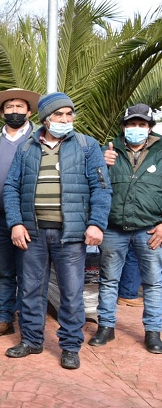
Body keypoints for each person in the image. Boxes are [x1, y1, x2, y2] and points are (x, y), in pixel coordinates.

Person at [3, 92, 111, 370]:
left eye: (69, 114)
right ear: (45, 119)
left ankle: (70, 346)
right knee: (29, 290)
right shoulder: (27, 147)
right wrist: (15, 222)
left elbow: (101, 189)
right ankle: (31, 340)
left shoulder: (87, 146)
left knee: (72, 293)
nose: (65, 119)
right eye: (58, 115)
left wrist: (97, 224)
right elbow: (11, 187)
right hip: (33, 233)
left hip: (71, 236)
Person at [89, 104, 162, 354]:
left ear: (149, 128)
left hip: (150, 228)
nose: (136, 129)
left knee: (153, 282)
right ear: (123, 127)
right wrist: (102, 164)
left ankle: (153, 332)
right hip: (113, 228)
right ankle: (106, 327)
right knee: (109, 280)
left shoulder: (161, 151)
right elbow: (93, 184)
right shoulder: (108, 150)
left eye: (142, 125)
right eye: (132, 124)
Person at [0, 88, 40, 338]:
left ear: (28, 110)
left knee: (30, 271)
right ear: (2, 111)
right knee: (5, 271)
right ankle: (4, 318)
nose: (14, 111)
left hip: (30, 216)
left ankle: (28, 321)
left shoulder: (39, 137)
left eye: (19, 107)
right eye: (10, 107)